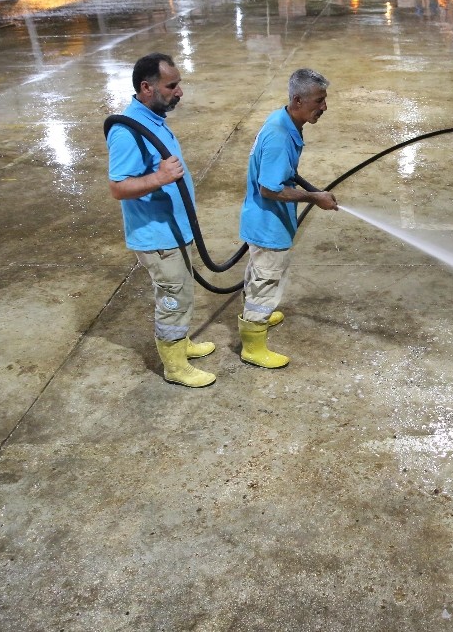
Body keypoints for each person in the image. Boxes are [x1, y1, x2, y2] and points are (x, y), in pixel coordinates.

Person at [106, 52, 216, 388]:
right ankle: (174, 366)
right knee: (173, 297)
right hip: (157, 237)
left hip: (173, 231)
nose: (179, 92)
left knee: (181, 291)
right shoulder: (127, 132)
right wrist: (160, 178)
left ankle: (181, 343)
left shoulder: (152, 120)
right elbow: (118, 187)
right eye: (171, 86)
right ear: (147, 87)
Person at [238, 68, 338, 368]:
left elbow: (283, 173)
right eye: (318, 101)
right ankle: (253, 346)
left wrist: (312, 191)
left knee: (261, 274)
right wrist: (313, 198)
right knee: (266, 280)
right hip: (268, 223)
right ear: (297, 100)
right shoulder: (280, 136)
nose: (324, 106)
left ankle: (257, 315)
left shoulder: (282, 120)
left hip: (264, 220)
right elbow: (269, 189)